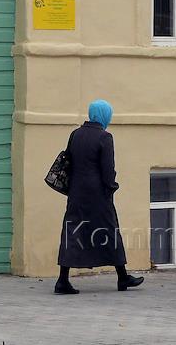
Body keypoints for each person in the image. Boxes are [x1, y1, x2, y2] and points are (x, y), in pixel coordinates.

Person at [55, 99, 144, 294]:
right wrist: (112, 187)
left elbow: (69, 161)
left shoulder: (75, 134)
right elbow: (107, 169)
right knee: (109, 232)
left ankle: (62, 280)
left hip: (76, 193)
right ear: (105, 115)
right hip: (98, 195)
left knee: (72, 232)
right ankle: (122, 277)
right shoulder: (105, 137)